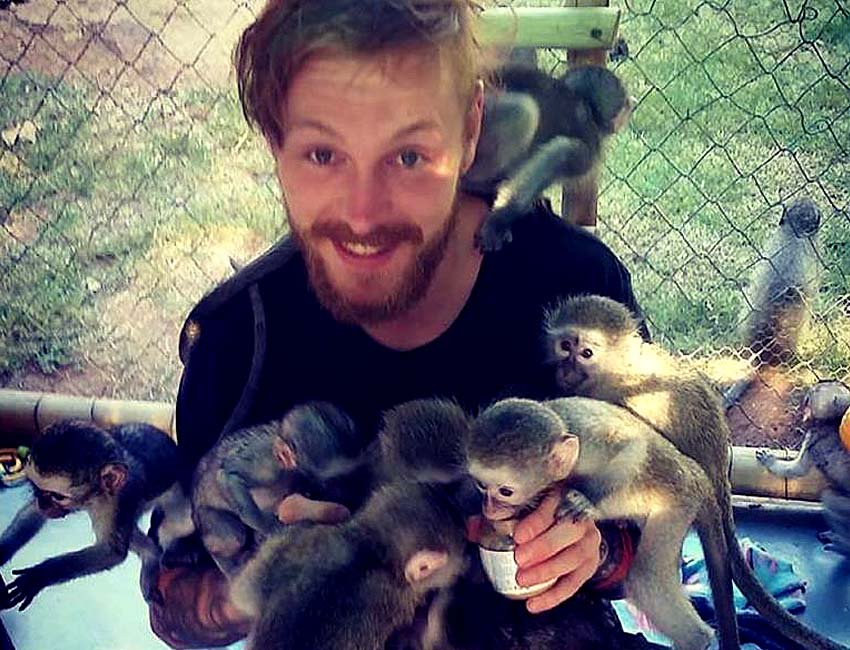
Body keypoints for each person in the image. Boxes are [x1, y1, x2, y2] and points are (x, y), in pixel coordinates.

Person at [150, 0, 648, 646]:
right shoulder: (239, 342)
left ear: (470, 128)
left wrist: (593, 551)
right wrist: (264, 583)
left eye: (409, 156)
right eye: (323, 154)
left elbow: (651, 519)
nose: (364, 215)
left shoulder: (574, 299)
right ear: (276, 142)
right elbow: (171, 603)